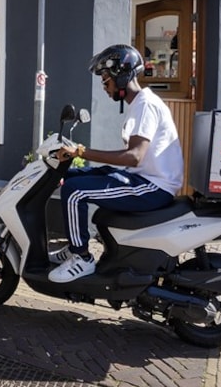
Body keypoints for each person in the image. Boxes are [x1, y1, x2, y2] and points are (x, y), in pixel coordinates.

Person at [49, 45, 183, 283]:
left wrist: (81, 150)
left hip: (154, 187)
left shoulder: (145, 105)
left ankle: (81, 257)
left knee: (74, 191)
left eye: (106, 80)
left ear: (121, 77)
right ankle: (74, 247)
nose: (104, 86)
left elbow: (133, 157)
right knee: (73, 177)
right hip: (142, 179)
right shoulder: (138, 105)